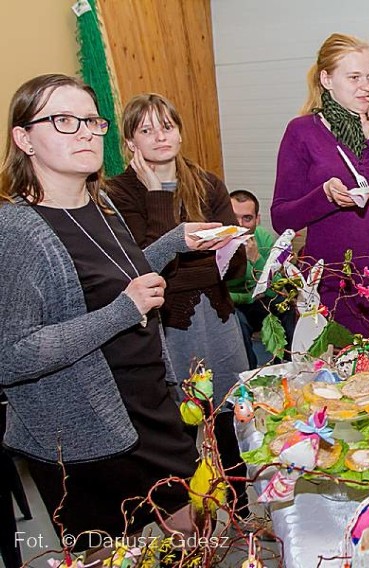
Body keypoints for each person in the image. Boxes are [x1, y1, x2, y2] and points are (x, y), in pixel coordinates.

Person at [0, 74, 227, 548]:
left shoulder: (101, 205)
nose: (85, 131)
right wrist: (122, 312)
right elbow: (13, 355)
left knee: (194, 520)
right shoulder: (17, 230)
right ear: (25, 139)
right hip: (82, 430)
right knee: (105, 553)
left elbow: (115, 275)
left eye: (91, 120)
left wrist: (175, 241)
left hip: (149, 404)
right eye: (63, 121)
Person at [107, 93, 250, 517]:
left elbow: (235, 265)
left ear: (180, 131)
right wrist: (156, 196)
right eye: (146, 130)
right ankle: (192, 521)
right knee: (180, 424)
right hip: (163, 327)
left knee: (227, 417)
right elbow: (140, 268)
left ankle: (239, 511)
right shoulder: (118, 193)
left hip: (219, 320)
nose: (159, 137)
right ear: (130, 141)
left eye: (166, 126)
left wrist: (188, 266)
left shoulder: (207, 183)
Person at [271, 33, 369, 344]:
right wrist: (324, 196)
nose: (367, 86)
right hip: (331, 286)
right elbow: (281, 218)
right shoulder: (302, 132)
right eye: (354, 77)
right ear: (326, 79)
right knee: (330, 387)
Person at [227, 189, 294, 367]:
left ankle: (289, 365)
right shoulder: (216, 244)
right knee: (237, 322)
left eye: (247, 218)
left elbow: (275, 289)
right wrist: (246, 297)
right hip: (232, 305)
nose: (239, 225)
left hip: (260, 301)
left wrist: (256, 259)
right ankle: (248, 372)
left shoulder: (263, 238)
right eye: (233, 218)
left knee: (286, 307)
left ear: (257, 219)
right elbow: (217, 294)